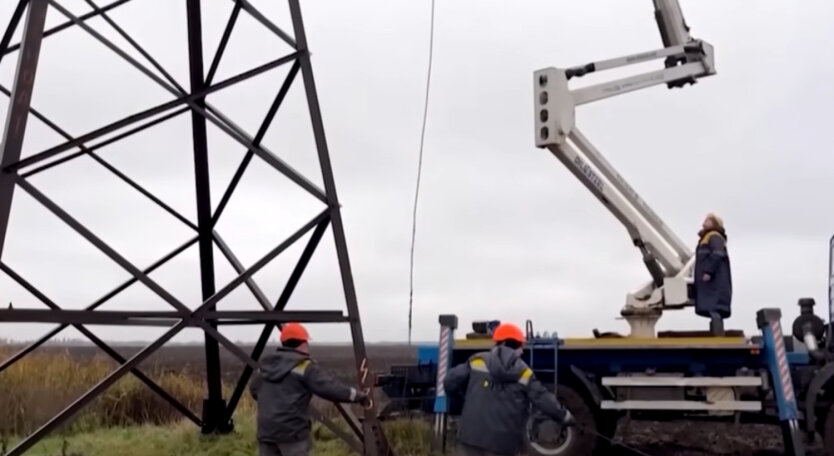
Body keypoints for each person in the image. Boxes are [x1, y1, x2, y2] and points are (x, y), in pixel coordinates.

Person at [444, 322, 575, 456]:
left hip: (470, 438)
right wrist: (565, 416)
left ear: (498, 342)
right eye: (521, 346)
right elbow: (542, 398)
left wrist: (465, 398)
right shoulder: (524, 372)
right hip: (503, 446)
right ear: (517, 345)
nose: (523, 350)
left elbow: (449, 383)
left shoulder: (477, 361)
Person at [250, 322, 369, 456]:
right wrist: (357, 395)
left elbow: (254, 390)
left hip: (266, 432)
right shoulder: (304, 367)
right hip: (292, 434)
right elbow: (329, 388)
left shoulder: (266, 366)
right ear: (303, 343)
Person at [693, 213, 732, 336]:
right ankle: (717, 332)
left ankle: (718, 333)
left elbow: (717, 254)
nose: (704, 222)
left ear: (714, 223)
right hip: (713, 282)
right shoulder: (709, 237)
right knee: (713, 308)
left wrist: (708, 271)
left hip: (714, 282)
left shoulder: (713, 236)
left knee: (715, 308)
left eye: (707, 220)